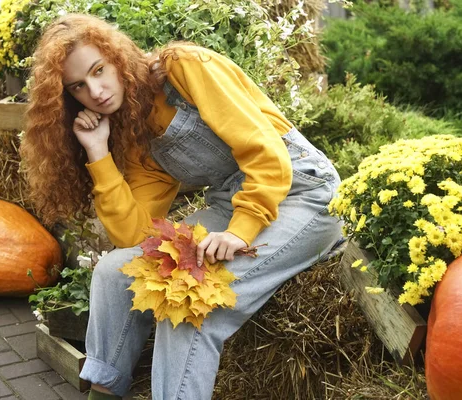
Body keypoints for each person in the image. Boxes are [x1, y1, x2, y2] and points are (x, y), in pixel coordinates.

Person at [21, 13, 343, 400]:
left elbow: (266, 153)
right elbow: (133, 235)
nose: (97, 90)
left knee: (191, 304)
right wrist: (98, 152)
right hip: (229, 201)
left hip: (303, 191)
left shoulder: (185, 69)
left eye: (99, 70)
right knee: (113, 270)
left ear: (116, 55)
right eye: (79, 86)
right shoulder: (134, 131)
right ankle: (103, 391)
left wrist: (241, 230)